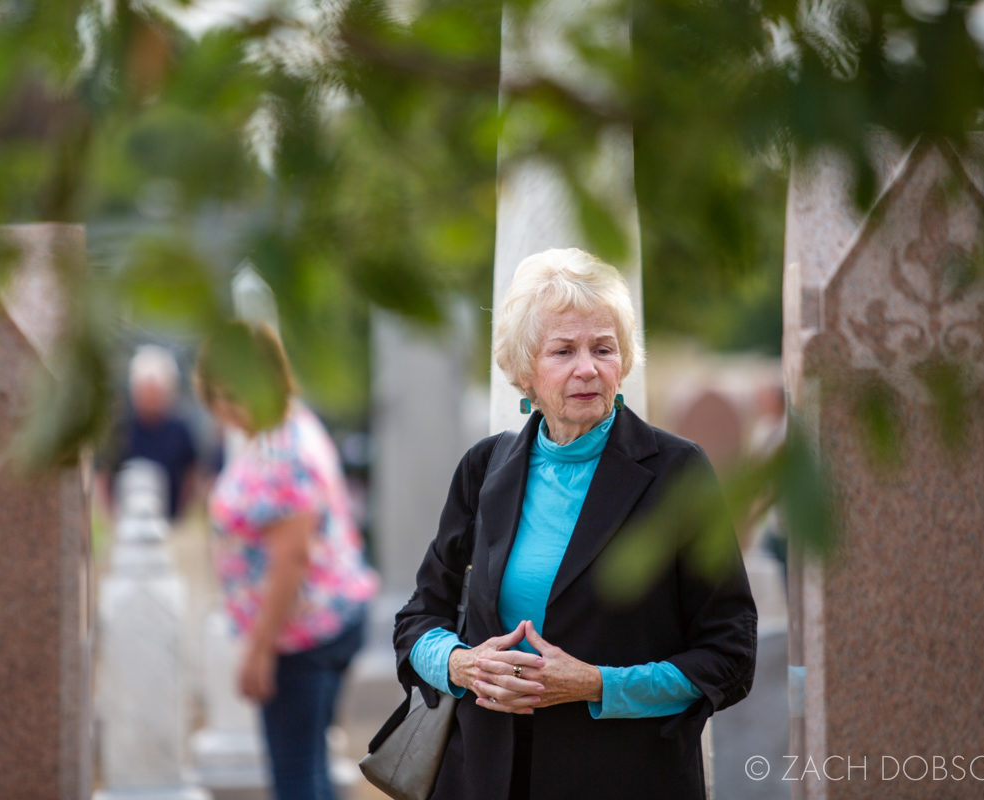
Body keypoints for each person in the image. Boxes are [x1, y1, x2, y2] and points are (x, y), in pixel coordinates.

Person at [394, 248, 757, 800]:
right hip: (480, 777)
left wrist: (597, 685)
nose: (587, 368)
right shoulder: (484, 467)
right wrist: (462, 665)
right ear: (525, 372)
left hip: (624, 779)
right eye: (563, 350)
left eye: (603, 348)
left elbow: (729, 657)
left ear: (624, 360)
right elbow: (419, 618)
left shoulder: (678, 472)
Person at [195, 321, 379, 800]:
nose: (222, 411)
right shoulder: (290, 425)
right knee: (310, 766)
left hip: (300, 633)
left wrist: (259, 648)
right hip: (326, 619)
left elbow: (292, 557)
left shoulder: (280, 450)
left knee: (296, 779)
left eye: (225, 395)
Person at [98, 344, 201, 522]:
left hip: (169, 521)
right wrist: (109, 516)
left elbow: (191, 474)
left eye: (155, 394)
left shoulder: (180, 429)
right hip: (125, 521)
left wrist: (183, 516)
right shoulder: (120, 427)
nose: (150, 400)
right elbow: (102, 473)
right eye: (145, 392)